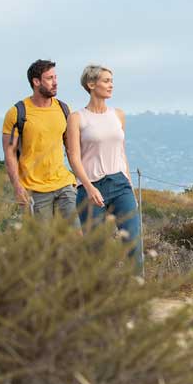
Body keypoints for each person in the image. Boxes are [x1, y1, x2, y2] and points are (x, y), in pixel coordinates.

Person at [65, 63, 144, 273]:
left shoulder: (118, 115)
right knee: (95, 249)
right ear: (91, 84)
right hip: (90, 186)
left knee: (133, 243)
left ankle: (136, 292)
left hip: (120, 183)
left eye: (112, 81)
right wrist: (90, 188)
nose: (111, 85)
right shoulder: (76, 118)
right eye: (106, 81)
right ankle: (96, 298)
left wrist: (128, 184)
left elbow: (121, 152)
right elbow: (73, 157)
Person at [1, 60, 78, 223]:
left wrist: (81, 180)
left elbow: (71, 149)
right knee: (43, 244)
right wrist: (17, 187)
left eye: (56, 77)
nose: (55, 82)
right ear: (36, 82)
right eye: (50, 78)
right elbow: (9, 154)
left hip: (64, 184)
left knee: (75, 238)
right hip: (35, 190)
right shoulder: (17, 113)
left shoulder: (64, 109)